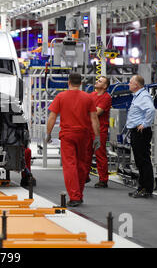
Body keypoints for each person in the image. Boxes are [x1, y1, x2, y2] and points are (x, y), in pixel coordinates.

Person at [45, 73, 100, 207]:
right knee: (81, 165)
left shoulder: (60, 97)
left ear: (68, 82)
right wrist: (97, 136)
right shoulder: (88, 98)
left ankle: (75, 197)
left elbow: (52, 117)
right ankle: (79, 195)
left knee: (70, 165)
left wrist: (48, 133)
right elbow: (94, 119)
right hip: (84, 135)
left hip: (67, 135)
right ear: (81, 83)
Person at [126, 75, 156, 198]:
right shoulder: (138, 96)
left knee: (143, 161)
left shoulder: (143, 96)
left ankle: (146, 188)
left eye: (130, 82)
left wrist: (144, 124)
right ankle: (142, 187)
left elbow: (151, 110)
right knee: (140, 161)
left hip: (141, 133)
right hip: (137, 132)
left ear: (137, 85)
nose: (128, 84)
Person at [86, 76, 112, 188]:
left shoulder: (106, 97)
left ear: (105, 86)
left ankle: (103, 180)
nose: (97, 81)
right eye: (97, 80)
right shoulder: (91, 95)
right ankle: (84, 176)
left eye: (100, 81)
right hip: (88, 129)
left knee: (100, 154)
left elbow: (97, 112)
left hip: (100, 131)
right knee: (86, 154)